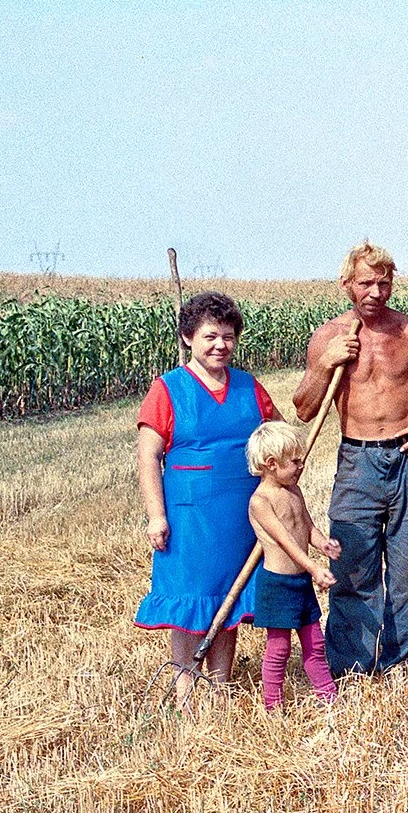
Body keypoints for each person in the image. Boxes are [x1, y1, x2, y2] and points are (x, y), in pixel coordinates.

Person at [294, 241, 408, 679]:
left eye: (384, 282)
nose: (376, 292)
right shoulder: (329, 336)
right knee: (352, 567)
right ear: (346, 285)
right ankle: (353, 665)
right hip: (357, 462)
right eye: (365, 283)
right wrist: (325, 365)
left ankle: (404, 664)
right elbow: (302, 408)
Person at [134, 290, 284, 707]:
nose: (220, 345)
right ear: (187, 338)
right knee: (190, 600)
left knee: (228, 595)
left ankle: (220, 690)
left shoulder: (250, 387)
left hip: (241, 512)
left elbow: (279, 435)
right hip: (188, 515)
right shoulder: (168, 390)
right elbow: (148, 454)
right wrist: (156, 516)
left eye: (228, 337)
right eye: (210, 336)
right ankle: (185, 693)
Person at [245, 420, 341, 709]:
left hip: (300, 583)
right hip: (278, 585)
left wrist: (323, 543)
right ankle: (273, 705)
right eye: (295, 462)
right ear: (272, 463)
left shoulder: (293, 490)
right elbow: (286, 541)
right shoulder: (260, 502)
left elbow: (305, 527)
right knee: (279, 648)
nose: (302, 466)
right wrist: (313, 568)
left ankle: (329, 698)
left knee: (315, 643)